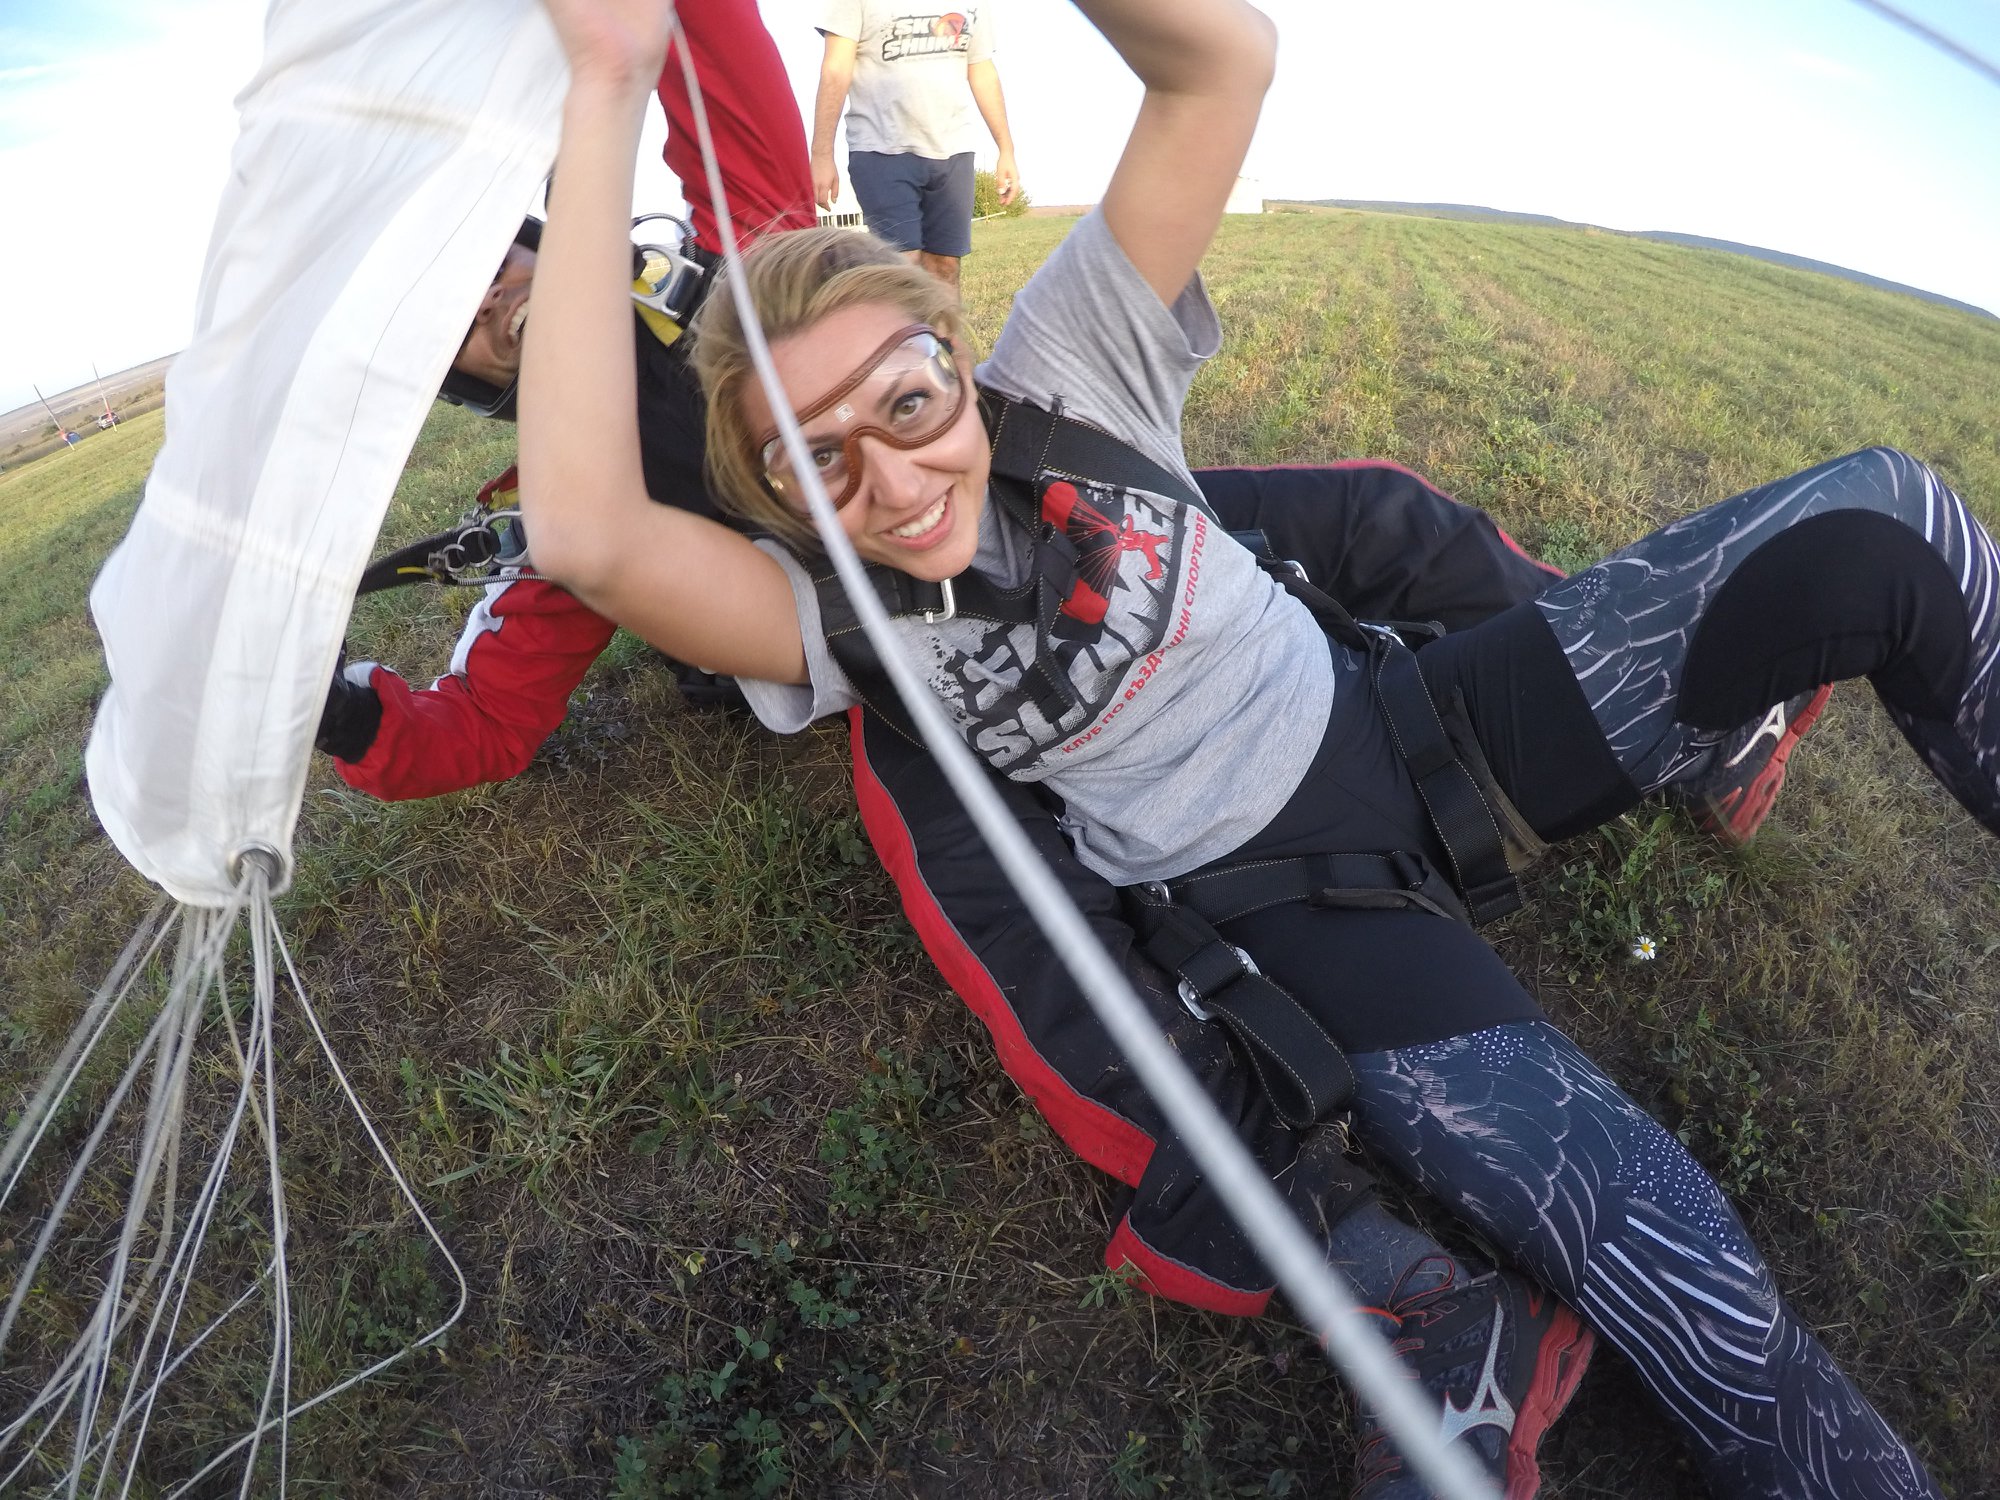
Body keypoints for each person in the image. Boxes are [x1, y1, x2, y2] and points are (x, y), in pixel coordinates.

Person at [517, 0, 1997, 1495]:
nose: (894, 485)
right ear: (772, 501)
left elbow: (1218, 60)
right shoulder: (826, 617)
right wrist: (607, 82)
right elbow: (585, 535)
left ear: (957, 362)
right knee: (1657, 1250)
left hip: (1421, 725)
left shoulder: (1073, 371)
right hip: (1303, 913)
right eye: (817, 463)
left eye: (909, 403)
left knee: (1888, 524)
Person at [809, 0, 1018, 289]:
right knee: (901, 268)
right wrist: (822, 154)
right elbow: (836, 69)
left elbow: (982, 71)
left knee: (945, 267)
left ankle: (944, 323)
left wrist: (1006, 149)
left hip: (953, 150)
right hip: (880, 150)